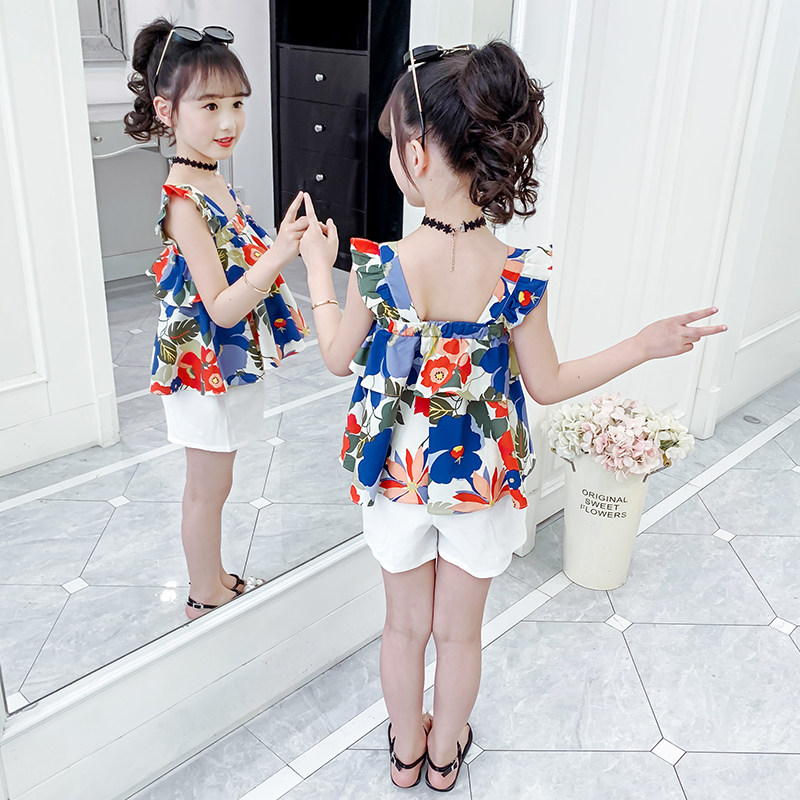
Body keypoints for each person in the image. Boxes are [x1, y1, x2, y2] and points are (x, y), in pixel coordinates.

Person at [299, 40, 726, 791]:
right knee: (460, 635)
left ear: (419, 153)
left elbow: (337, 357)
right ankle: (444, 759)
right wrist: (643, 343)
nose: (393, 157)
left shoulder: (381, 266)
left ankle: (404, 755)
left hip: (397, 479)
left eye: (395, 143)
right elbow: (550, 383)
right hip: (482, 484)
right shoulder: (520, 273)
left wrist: (315, 274)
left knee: (404, 627)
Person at [124, 18, 310, 620]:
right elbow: (222, 305)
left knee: (217, 483)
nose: (228, 121)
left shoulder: (211, 179)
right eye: (209, 105)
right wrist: (279, 253)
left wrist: (268, 241)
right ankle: (203, 592)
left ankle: (214, 576)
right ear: (167, 110)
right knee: (206, 488)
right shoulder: (184, 199)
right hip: (202, 368)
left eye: (236, 103)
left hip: (222, 365)